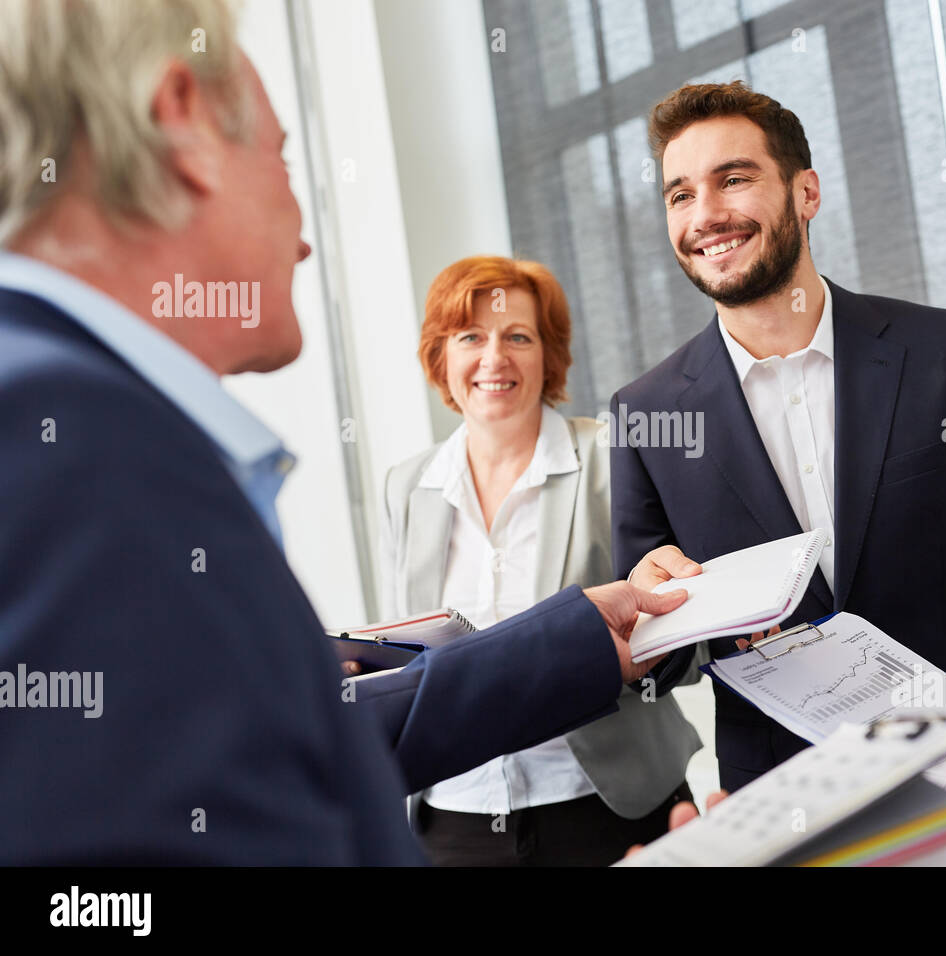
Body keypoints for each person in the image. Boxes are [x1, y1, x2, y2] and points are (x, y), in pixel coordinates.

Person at [0, 0, 685, 864]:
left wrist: (585, 634)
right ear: (185, 128)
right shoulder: (64, 445)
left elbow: (310, 736)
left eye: (517, 337)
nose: (304, 239)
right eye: (283, 158)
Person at [612, 81, 946, 791]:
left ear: (806, 193)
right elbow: (663, 660)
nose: (706, 215)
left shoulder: (944, 351)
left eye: (733, 179)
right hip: (781, 797)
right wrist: (649, 611)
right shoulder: (643, 415)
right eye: (679, 195)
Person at [380, 256, 700, 865]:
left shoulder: (612, 455)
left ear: (548, 356)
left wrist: (648, 648)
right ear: (440, 357)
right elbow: (403, 649)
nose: (493, 358)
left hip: (607, 804)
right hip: (455, 818)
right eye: (469, 337)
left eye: (517, 337)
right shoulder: (406, 485)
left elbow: (687, 629)